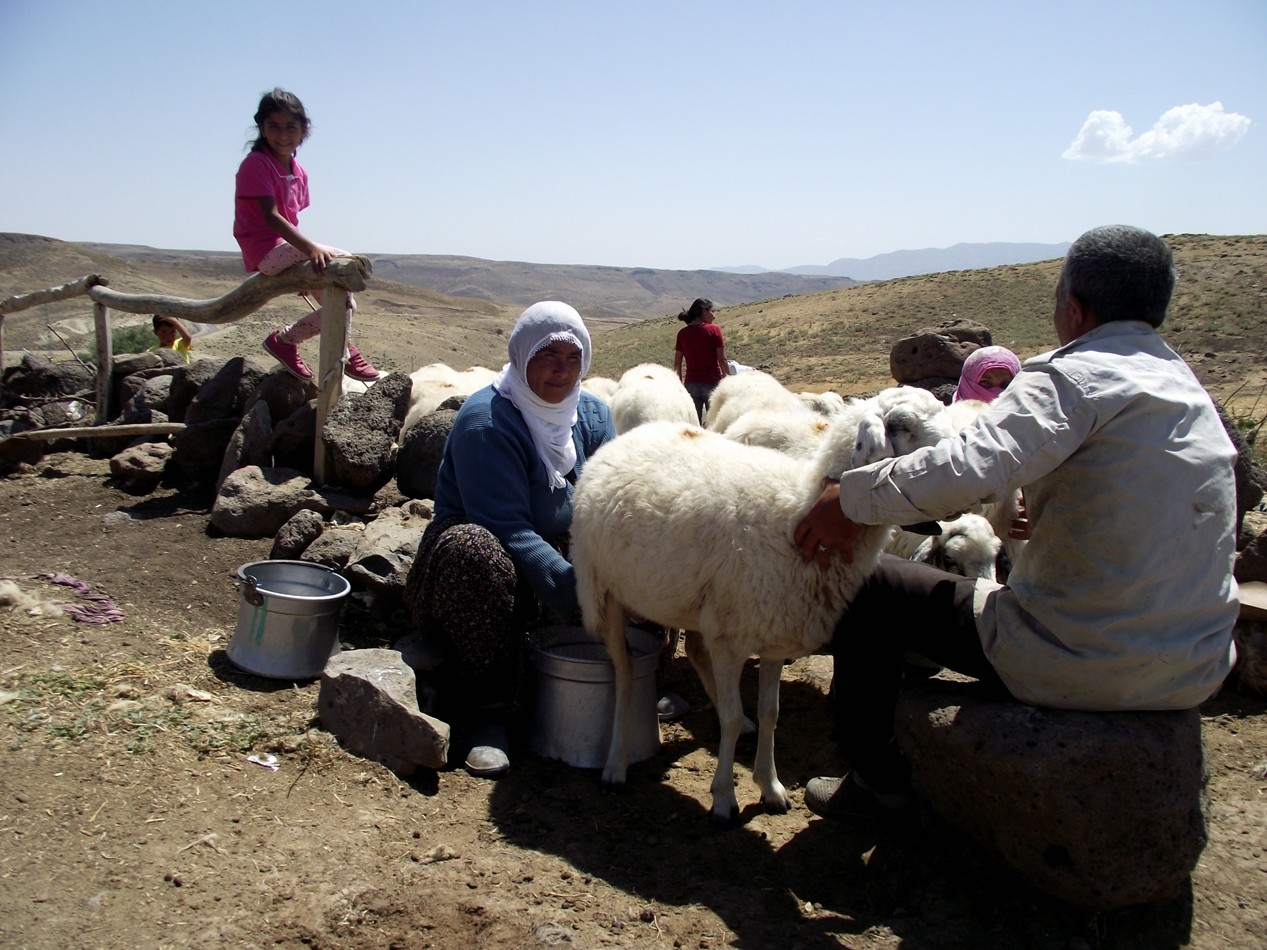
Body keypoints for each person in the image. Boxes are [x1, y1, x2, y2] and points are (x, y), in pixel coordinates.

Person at [793, 225, 1239, 819]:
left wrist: (848, 500)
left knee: (873, 589)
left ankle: (876, 779)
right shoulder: (1184, 386)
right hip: (1196, 663)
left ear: (1073, 308)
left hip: (1079, 656)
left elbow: (972, 464)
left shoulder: (1074, 376)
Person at [403, 301, 616, 778]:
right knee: (473, 553)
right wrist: (577, 589)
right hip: (485, 561)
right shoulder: (489, 421)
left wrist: (620, 568)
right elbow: (508, 526)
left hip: (561, 553)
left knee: (642, 548)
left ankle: (629, 680)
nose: (562, 369)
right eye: (547, 354)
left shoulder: (594, 416)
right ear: (522, 356)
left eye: (573, 356)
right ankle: (485, 713)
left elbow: (615, 504)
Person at [233, 88, 381, 383]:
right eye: (274, 126)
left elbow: (292, 219)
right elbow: (271, 217)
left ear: (303, 130)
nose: (283, 134)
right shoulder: (257, 164)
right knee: (342, 259)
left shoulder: (299, 171)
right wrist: (308, 250)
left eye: (291, 127)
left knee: (343, 304)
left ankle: (289, 342)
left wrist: (298, 269)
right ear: (262, 128)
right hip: (264, 249)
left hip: (283, 248)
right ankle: (311, 345)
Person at [673, 298, 728, 423]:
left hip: (691, 384)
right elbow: (722, 359)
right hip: (712, 384)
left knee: (692, 425)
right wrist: (728, 378)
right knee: (713, 425)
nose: (714, 315)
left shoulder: (683, 333)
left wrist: (679, 384)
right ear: (704, 311)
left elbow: (677, 363)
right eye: (712, 311)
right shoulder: (715, 330)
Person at [952, 344, 1021, 403]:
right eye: (985, 382)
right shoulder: (947, 417)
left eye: (1006, 385)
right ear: (967, 386)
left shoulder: (1028, 417)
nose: (996, 394)